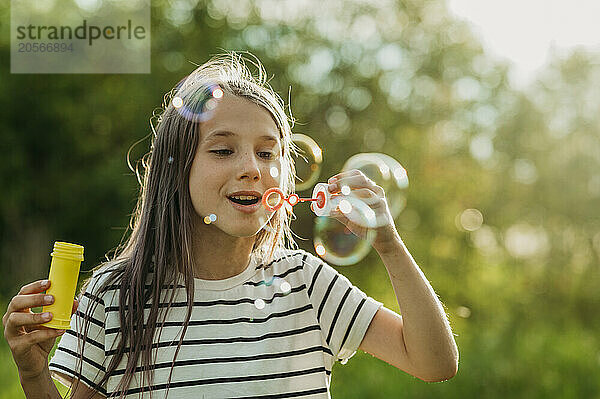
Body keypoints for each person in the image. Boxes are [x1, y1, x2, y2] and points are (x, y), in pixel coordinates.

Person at [3, 51, 458, 399]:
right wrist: (32, 373)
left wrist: (390, 244)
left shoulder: (306, 284)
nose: (252, 168)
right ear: (176, 170)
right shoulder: (116, 294)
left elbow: (434, 362)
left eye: (267, 153)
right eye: (223, 151)